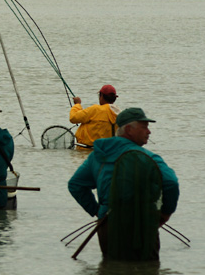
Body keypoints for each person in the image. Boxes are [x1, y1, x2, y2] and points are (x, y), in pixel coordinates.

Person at [68, 107, 180, 260]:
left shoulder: (98, 156)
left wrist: (99, 211)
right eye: (144, 127)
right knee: (147, 272)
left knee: (110, 272)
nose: (149, 132)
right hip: (143, 223)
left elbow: (76, 185)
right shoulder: (149, 157)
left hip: (108, 224)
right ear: (128, 129)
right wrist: (165, 214)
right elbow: (171, 183)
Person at [69, 84, 121, 148]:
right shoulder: (119, 113)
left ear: (101, 96)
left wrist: (77, 104)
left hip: (87, 152)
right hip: (107, 152)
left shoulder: (95, 109)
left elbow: (73, 117)